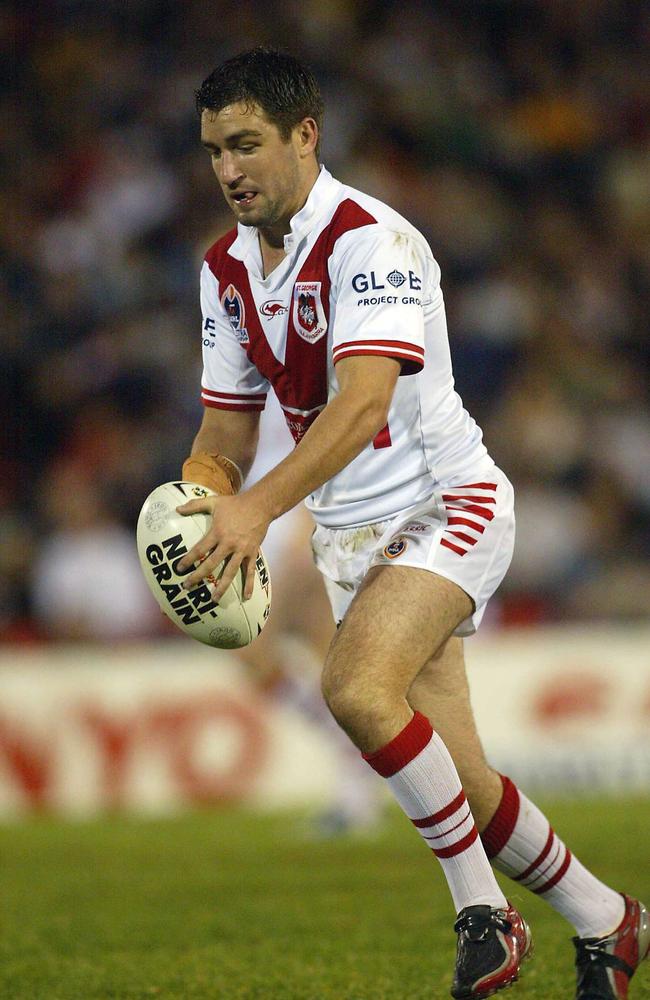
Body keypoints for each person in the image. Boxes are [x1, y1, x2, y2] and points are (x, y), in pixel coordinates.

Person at [174, 47, 649, 999]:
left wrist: (256, 512)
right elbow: (227, 428)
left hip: (447, 504)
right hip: (353, 539)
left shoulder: (371, 241)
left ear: (306, 136)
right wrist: (195, 503)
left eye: (247, 144)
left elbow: (360, 406)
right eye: (215, 151)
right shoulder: (224, 269)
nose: (229, 170)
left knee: (353, 686)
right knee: (462, 781)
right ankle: (611, 920)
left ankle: (484, 916)